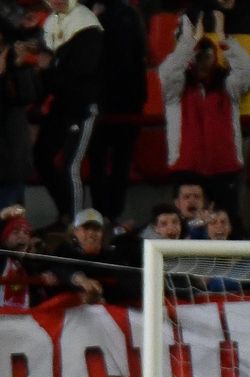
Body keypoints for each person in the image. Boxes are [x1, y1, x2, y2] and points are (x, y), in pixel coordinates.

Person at [158, 17, 250, 222]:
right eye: (199, 55)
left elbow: (247, 71)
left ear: (215, 56)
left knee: (227, 224)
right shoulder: (176, 88)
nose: (203, 59)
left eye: (208, 54)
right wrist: (188, 41)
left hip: (224, 169)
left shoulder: (228, 87)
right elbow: (167, 72)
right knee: (185, 225)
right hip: (186, 169)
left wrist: (223, 39)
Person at [33, 0, 103, 224]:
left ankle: (76, 225)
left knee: (71, 165)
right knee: (41, 156)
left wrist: (48, 68)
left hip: (80, 107)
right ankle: (65, 214)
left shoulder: (87, 27)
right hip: (60, 106)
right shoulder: (51, 23)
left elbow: (77, 75)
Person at [84, 0, 145, 223]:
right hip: (94, 101)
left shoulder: (129, 13)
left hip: (127, 102)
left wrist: (140, 98)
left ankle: (114, 214)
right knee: (96, 163)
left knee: (122, 162)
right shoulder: (82, 11)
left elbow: (138, 55)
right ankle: (98, 214)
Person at [0, 35, 42, 209]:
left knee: (12, 225)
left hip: (9, 162)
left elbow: (29, 95)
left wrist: (19, 66)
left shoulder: (15, 69)